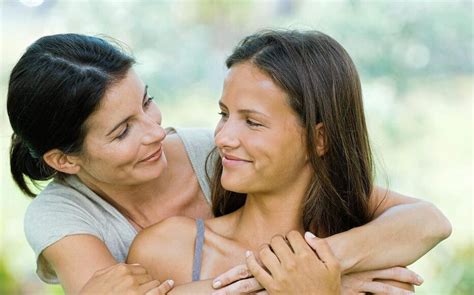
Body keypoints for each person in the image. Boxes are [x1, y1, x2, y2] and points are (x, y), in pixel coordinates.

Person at [7, 33, 450, 294]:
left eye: (148, 103)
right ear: (64, 160)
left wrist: (316, 268)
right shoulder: (64, 218)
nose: (156, 132)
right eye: (122, 131)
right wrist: (289, 283)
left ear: (319, 139)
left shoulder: (213, 151)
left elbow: (428, 220)